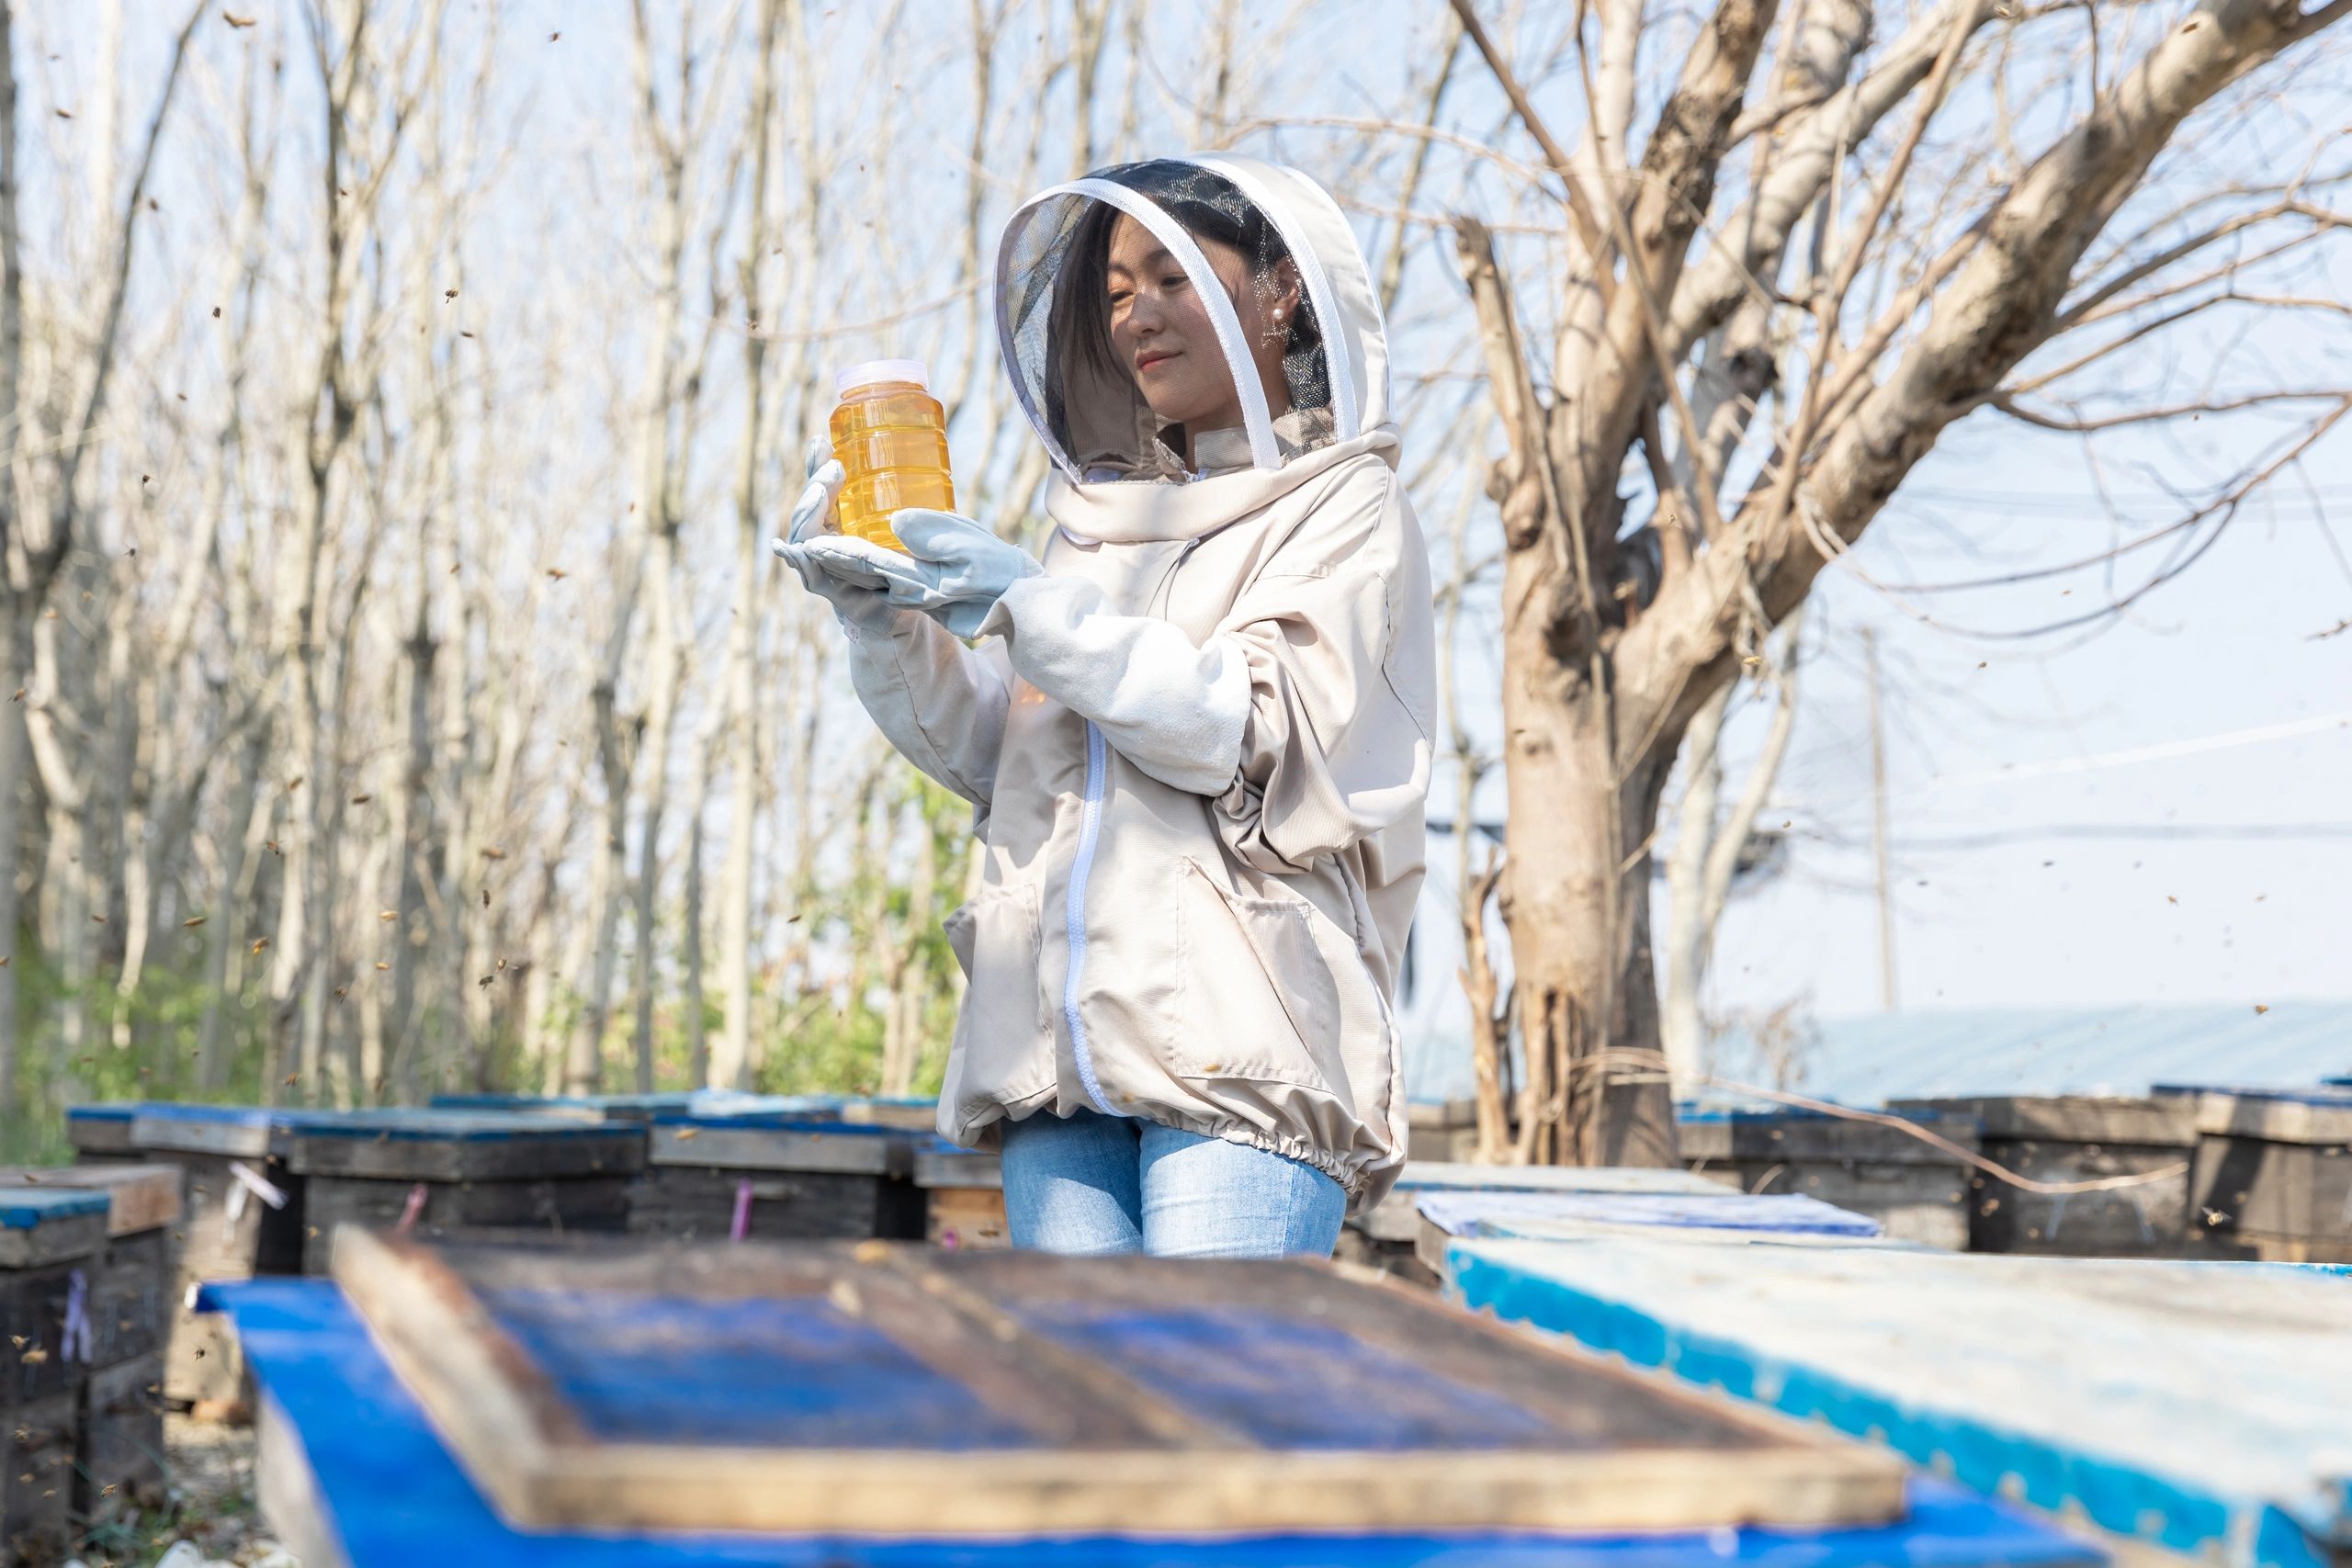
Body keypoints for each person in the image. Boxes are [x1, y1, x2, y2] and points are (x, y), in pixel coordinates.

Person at [775, 157, 1434, 1258]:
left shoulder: (1342, 507)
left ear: (1279, 288)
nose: (1138, 315)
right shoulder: (1097, 526)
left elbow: (1241, 732)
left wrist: (1033, 610)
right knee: (1082, 1420)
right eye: (1117, 290)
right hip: (1054, 1060)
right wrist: (881, 620)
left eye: (1171, 275)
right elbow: (1005, 760)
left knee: (1213, 1414)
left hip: (1240, 1053)